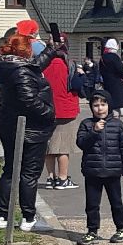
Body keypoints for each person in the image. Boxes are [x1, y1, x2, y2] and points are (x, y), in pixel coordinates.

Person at [0, 31, 56, 231]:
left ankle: (3, 215)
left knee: (10, 170)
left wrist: (51, 50)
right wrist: (49, 113)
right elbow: (28, 99)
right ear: (24, 50)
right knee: (28, 173)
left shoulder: (8, 66)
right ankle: (28, 218)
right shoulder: (19, 70)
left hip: (9, 125)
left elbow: (34, 67)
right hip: (30, 128)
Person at [74, 94, 123, 245]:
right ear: (91, 107)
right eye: (96, 105)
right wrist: (94, 131)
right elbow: (81, 143)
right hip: (93, 170)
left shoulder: (118, 125)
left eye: (103, 104)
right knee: (92, 204)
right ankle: (92, 230)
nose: (100, 108)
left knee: (116, 202)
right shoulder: (86, 124)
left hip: (113, 170)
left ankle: (121, 228)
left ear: (109, 106)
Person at [42, 35, 81, 190]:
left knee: (49, 146)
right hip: (65, 108)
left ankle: (50, 177)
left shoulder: (43, 64)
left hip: (46, 108)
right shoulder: (68, 64)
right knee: (63, 147)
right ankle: (63, 178)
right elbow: (77, 86)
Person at [100, 38, 123, 114]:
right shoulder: (114, 57)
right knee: (117, 108)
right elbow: (121, 70)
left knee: (110, 106)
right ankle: (115, 124)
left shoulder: (102, 57)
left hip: (107, 83)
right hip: (117, 85)